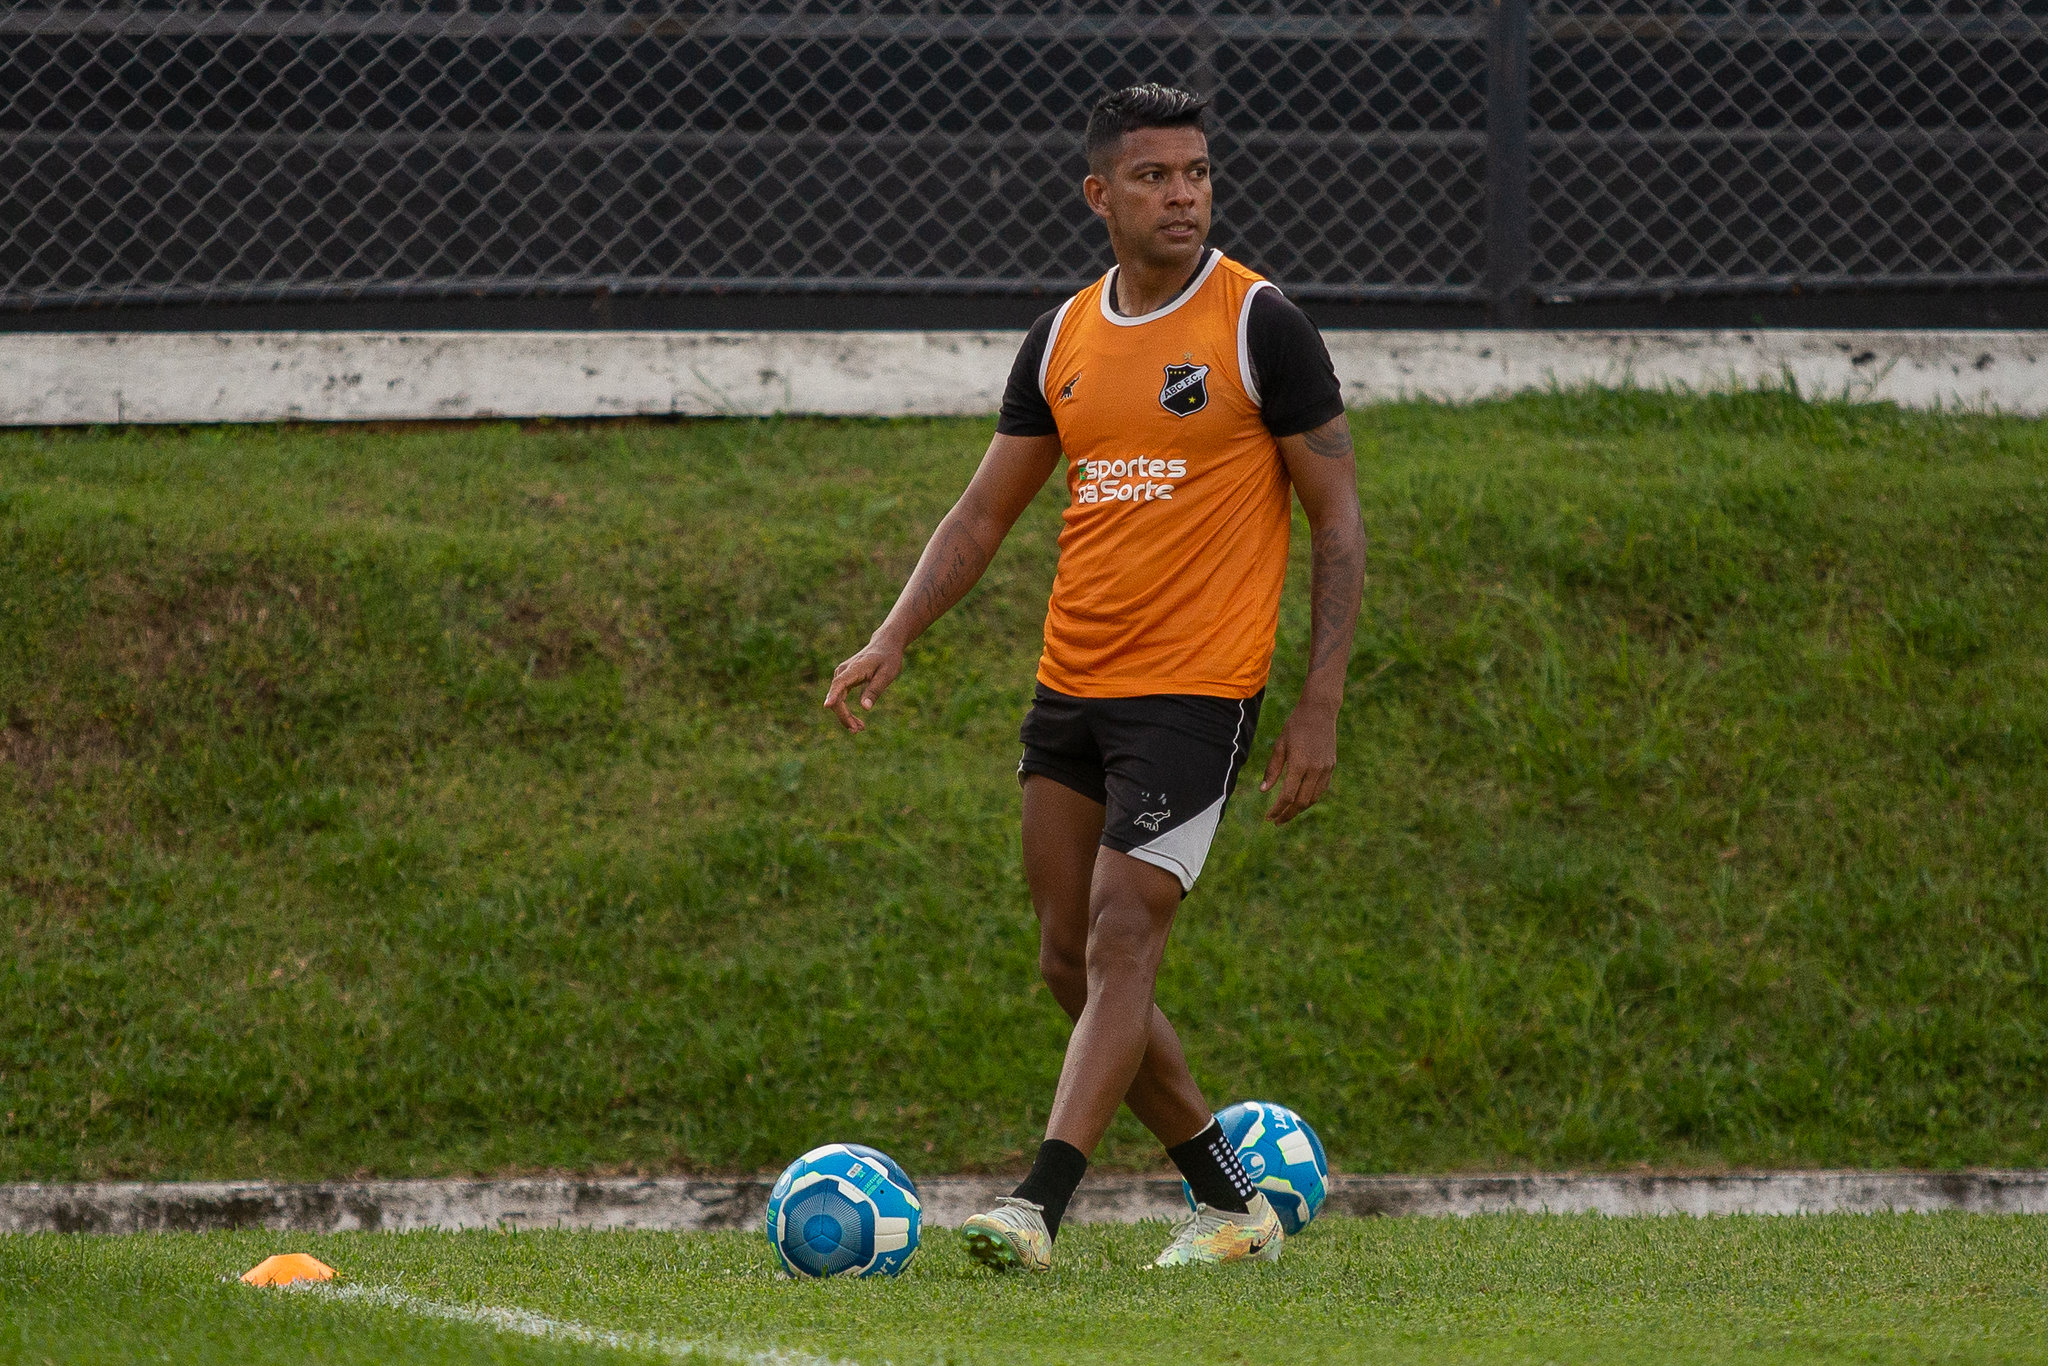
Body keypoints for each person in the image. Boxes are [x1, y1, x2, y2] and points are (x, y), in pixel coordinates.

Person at [823, 82, 1364, 1271]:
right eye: (1154, 177)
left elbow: (1335, 519)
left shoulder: (1257, 323)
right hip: (1072, 685)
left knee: (1125, 935)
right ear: (1098, 194)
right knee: (1064, 959)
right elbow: (980, 512)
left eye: (1197, 174)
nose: (1182, 196)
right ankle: (1230, 1200)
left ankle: (1035, 1204)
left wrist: (1314, 703)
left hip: (1195, 691)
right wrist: (894, 631)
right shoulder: (1064, 337)